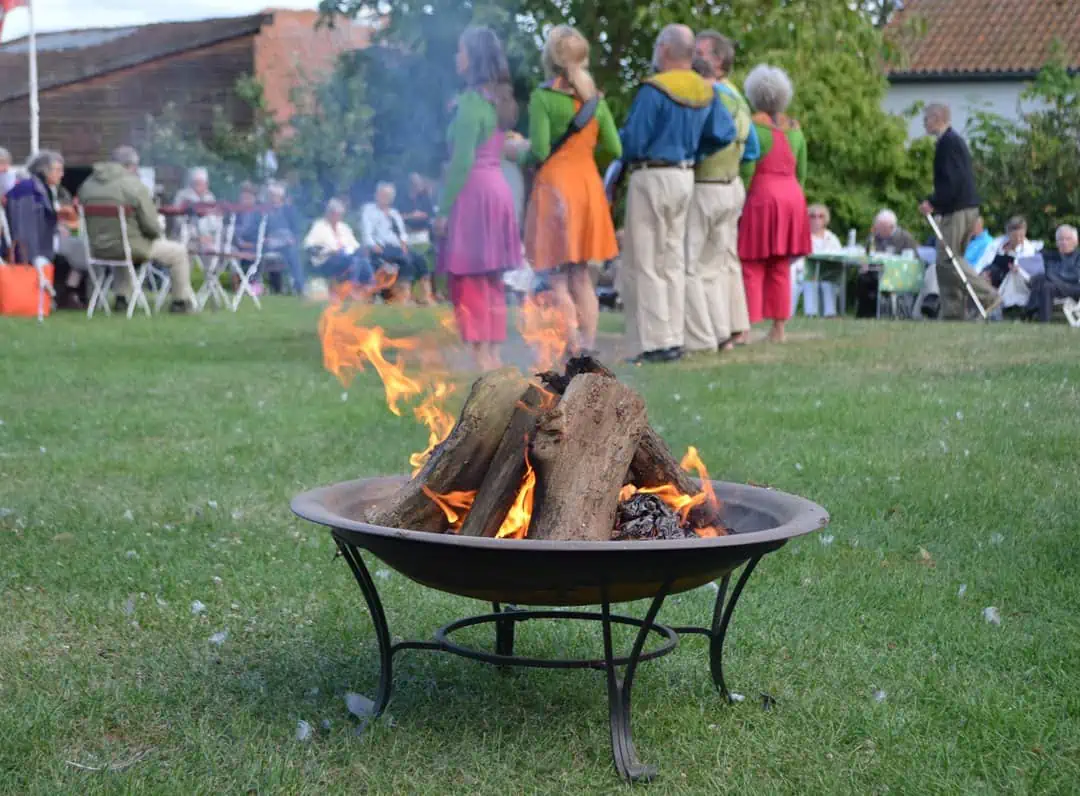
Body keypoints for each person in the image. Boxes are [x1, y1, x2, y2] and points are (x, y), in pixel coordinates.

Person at [619, 23, 736, 363]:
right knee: (673, 259)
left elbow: (634, 141)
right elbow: (724, 132)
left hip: (652, 175)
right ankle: (673, 337)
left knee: (646, 259)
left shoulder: (655, 90)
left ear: (665, 50)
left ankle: (653, 343)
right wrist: (695, 152)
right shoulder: (704, 89)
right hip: (685, 177)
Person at [519, 24, 620, 357]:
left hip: (555, 189)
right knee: (581, 275)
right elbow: (615, 148)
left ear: (550, 59)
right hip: (587, 187)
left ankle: (573, 345)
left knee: (558, 277)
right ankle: (588, 345)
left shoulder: (543, 97)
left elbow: (539, 150)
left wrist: (515, 150)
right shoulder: (596, 102)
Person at [434, 25, 523, 372]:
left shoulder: (471, 102)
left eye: (461, 50)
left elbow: (461, 161)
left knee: (469, 276)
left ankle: (480, 358)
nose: (457, 57)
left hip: (474, 191)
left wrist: (443, 209)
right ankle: (494, 356)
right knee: (490, 279)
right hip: (497, 188)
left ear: (473, 58)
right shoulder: (499, 99)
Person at [684, 31, 759, 352]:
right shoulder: (739, 98)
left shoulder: (709, 94)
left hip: (706, 186)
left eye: (699, 51)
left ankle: (708, 336)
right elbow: (753, 149)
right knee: (724, 262)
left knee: (695, 265)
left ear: (717, 59)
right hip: (733, 186)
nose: (692, 55)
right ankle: (735, 328)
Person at [738, 64, 811, 343]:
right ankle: (778, 329)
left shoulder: (754, 128)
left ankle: (744, 327)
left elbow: (747, 169)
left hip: (762, 196)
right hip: (792, 198)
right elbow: (802, 171)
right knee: (781, 264)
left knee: (751, 263)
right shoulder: (795, 130)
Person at [77, 145, 196, 313]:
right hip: (131, 247)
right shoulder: (133, 186)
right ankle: (180, 301)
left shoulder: (87, 185)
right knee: (178, 252)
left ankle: (122, 297)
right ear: (132, 165)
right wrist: (156, 234)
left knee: (122, 245)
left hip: (97, 248)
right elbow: (151, 225)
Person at [918, 103, 999, 319]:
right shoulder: (947, 142)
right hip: (958, 207)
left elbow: (953, 181)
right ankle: (952, 313)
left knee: (949, 258)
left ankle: (987, 294)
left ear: (937, 118)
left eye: (926, 118)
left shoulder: (949, 143)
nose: (924, 123)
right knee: (946, 263)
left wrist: (933, 202)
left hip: (959, 209)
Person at [4, 150, 89, 310]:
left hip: (45, 240)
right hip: (36, 246)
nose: (62, 174)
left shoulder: (41, 188)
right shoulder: (30, 190)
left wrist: (58, 223)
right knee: (84, 249)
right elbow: (26, 226)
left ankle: (69, 293)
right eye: (58, 170)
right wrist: (32, 256)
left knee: (80, 247)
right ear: (44, 170)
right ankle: (71, 294)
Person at [360, 181, 433, 305]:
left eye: (388, 196)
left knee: (420, 259)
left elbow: (402, 233)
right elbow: (366, 233)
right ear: (377, 195)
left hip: (398, 247)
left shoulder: (394, 213)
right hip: (381, 248)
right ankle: (402, 297)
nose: (385, 198)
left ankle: (426, 296)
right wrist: (373, 245)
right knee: (405, 260)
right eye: (382, 195)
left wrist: (404, 243)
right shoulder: (369, 211)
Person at [303, 199, 374, 287]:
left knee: (362, 259)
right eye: (336, 214)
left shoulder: (344, 227)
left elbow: (355, 245)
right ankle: (354, 286)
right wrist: (328, 251)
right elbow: (309, 245)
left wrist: (362, 250)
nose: (338, 217)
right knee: (356, 260)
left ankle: (371, 286)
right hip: (328, 260)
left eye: (340, 215)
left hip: (347, 256)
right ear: (329, 213)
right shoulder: (319, 226)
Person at [977, 215, 1041, 311]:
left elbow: (1029, 274)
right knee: (985, 276)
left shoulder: (1029, 250)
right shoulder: (997, 244)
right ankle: (981, 308)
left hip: (1014, 279)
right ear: (1008, 234)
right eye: (1015, 236)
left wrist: (1018, 269)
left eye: (1021, 236)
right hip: (994, 272)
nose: (1019, 239)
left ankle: (993, 307)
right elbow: (984, 261)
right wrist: (982, 272)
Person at [790, 203, 843, 318]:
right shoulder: (800, 236)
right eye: (812, 216)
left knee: (827, 279)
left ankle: (830, 313)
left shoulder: (832, 238)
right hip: (803, 273)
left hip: (827, 273)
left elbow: (839, 257)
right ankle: (809, 313)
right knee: (808, 278)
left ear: (826, 219)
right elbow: (794, 258)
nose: (816, 219)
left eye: (820, 216)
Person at [1025, 224, 1080, 322]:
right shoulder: (1051, 256)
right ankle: (1035, 316)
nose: (1064, 242)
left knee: (1046, 283)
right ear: (1057, 242)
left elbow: (1074, 276)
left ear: (1076, 242)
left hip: (1073, 287)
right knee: (1042, 281)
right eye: (1060, 239)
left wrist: (1050, 276)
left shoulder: (1078, 257)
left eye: (1068, 239)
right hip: (1053, 286)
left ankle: (1032, 315)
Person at [263, 182, 304, 294]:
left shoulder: (289, 210)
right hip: (269, 244)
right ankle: (275, 287)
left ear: (281, 197)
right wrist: (264, 238)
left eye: (275, 196)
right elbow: (259, 229)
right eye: (271, 195)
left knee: (293, 253)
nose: (272, 198)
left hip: (286, 243)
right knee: (268, 255)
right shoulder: (264, 211)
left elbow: (296, 229)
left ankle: (299, 286)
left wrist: (294, 239)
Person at [172, 166, 223, 248]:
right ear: (193, 183)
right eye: (198, 183)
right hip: (186, 238)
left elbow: (214, 220)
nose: (202, 186)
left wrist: (209, 235)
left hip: (207, 239)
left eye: (204, 183)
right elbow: (179, 221)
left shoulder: (210, 197)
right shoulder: (182, 196)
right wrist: (197, 237)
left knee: (215, 249)